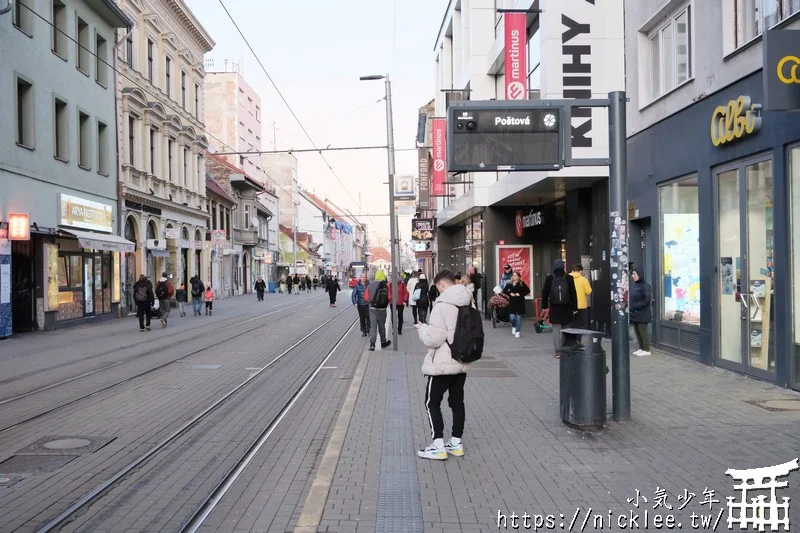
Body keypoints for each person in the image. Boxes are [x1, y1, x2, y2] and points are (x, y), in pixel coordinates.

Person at [415, 269, 473, 460]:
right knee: (457, 402)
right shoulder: (468, 302)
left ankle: (438, 444)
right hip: (461, 360)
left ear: (441, 285)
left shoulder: (441, 306)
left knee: (431, 402)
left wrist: (422, 330)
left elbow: (434, 339)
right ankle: (456, 442)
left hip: (442, 364)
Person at [542, 259, 578, 358]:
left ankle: (557, 351)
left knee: (556, 331)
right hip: (566, 308)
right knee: (566, 330)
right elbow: (573, 293)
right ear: (563, 267)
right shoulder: (569, 278)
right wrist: (575, 307)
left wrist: (544, 306)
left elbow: (544, 293)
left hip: (554, 308)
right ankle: (564, 348)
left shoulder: (549, 278)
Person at [365, 270, 391, 351]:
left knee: (373, 326)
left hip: (372, 309)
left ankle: (372, 344)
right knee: (382, 326)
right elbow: (389, 297)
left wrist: (371, 301)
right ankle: (383, 342)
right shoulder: (385, 285)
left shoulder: (370, 285)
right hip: (382, 309)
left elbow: (365, 297)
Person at [630, 267, 653, 356]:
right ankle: (641, 347)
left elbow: (647, 300)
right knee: (637, 331)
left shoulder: (645, 286)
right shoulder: (636, 285)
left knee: (643, 331)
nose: (633, 276)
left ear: (639, 274)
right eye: (632, 274)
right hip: (635, 313)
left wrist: (636, 306)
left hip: (642, 313)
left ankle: (646, 349)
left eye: (634, 274)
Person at [503, 271, 530, 338]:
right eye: (513, 275)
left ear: (518, 277)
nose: (514, 277)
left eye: (516, 275)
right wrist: (510, 293)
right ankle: (514, 326)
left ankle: (518, 332)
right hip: (512, 303)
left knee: (518, 318)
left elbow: (528, 291)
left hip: (520, 303)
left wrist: (520, 294)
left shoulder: (521, 283)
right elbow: (504, 291)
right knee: (512, 318)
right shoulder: (510, 283)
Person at [351, 271, 370, 336]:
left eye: (365, 277)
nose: (364, 278)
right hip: (360, 304)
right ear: (360, 278)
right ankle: (363, 330)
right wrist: (355, 302)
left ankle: (369, 329)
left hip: (367, 304)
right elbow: (353, 294)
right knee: (362, 318)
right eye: (362, 277)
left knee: (368, 317)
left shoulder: (369, 284)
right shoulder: (357, 286)